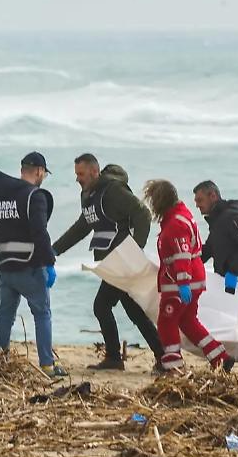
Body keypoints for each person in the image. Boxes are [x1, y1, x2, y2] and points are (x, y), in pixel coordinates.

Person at [53, 154, 164, 371]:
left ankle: (115, 357)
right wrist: (55, 249)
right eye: (76, 174)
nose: (77, 179)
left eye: (81, 174)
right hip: (112, 263)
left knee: (102, 306)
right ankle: (162, 356)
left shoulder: (113, 191)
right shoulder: (90, 195)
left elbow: (142, 213)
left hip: (121, 261)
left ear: (94, 171)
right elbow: (82, 227)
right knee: (133, 310)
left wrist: (135, 250)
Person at [143, 179, 235, 374]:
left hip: (181, 282)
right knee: (187, 321)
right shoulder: (180, 216)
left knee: (166, 322)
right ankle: (220, 357)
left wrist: (183, 283)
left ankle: (173, 366)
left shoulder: (175, 223)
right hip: (193, 278)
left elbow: (182, 256)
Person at [0, 152, 66, 378]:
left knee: (5, 315)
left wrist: (3, 258)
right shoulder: (35, 196)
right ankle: (47, 365)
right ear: (40, 171)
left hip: (5, 265)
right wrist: (49, 262)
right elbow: (40, 233)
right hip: (30, 267)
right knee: (42, 314)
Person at [192, 180, 238, 292]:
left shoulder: (231, 216)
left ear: (213, 196)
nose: (197, 205)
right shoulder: (217, 220)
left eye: (200, 200)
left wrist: (233, 271)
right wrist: (188, 261)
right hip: (227, 281)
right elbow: (210, 249)